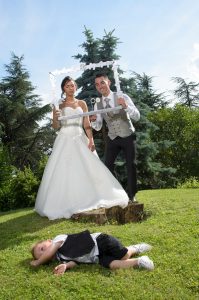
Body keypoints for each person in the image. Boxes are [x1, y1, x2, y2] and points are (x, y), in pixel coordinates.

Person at [35, 76, 129, 220]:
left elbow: (86, 124)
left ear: (76, 87)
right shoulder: (58, 105)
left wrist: (90, 139)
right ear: (63, 89)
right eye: (67, 86)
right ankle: (63, 203)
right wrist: (55, 116)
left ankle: (94, 197)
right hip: (64, 137)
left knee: (89, 168)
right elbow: (55, 126)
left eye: (72, 85)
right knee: (65, 170)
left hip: (80, 137)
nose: (70, 88)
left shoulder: (82, 103)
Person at [90, 74, 140, 202]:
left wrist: (126, 107)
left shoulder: (121, 97)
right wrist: (94, 121)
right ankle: (119, 192)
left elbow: (137, 116)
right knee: (107, 167)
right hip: (112, 137)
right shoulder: (98, 104)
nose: (100, 86)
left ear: (109, 82)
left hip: (128, 135)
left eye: (102, 82)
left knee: (131, 165)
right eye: (97, 84)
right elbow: (98, 126)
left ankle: (131, 195)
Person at [30, 230, 154, 275]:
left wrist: (38, 262)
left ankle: (136, 248)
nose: (44, 252)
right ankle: (140, 261)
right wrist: (66, 266)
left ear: (48, 241)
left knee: (124, 255)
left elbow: (50, 249)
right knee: (112, 264)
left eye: (42, 248)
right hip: (97, 257)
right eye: (42, 255)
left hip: (101, 241)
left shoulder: (57, 240)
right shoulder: (60, 256)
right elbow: (74, 262)